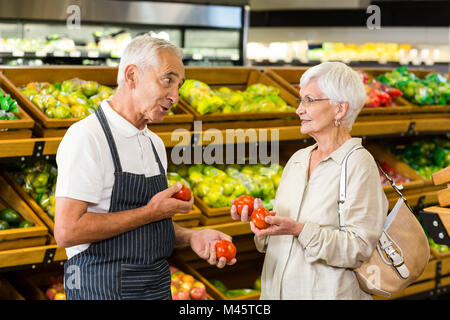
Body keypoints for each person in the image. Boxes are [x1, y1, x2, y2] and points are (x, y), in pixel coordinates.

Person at [54, 35, 235, 300]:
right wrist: (150, 212)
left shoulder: (154, 143)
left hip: (155, 289)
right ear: (132, 76)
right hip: (102, 290)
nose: (175, 96)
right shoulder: (87, 137)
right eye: (168, 80)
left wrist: (191, 237)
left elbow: (146, 228)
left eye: (179, 86)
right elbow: (67, 231)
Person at [231, 61, 388, 300]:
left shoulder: (358, 163)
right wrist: (265, 224)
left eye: (309, 100)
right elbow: (284, 236)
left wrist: (299, 230)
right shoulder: (298, 160)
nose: (299, 110)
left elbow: (358, 249)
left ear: (339, 109)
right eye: (300, 100)